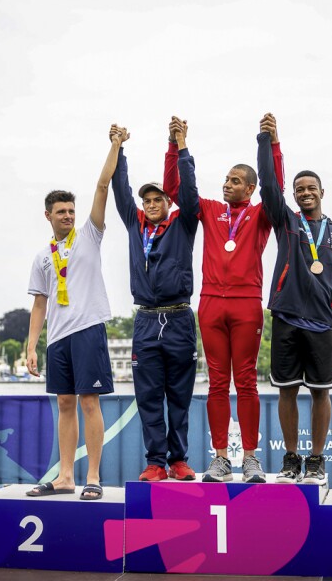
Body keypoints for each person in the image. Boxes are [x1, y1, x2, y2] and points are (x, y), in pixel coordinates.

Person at [162, 116, 284, 483]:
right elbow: (176, 192)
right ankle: (219, 459)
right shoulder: (212, 210)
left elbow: (275, 187)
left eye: (234, 180)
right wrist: (177, 146)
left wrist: (270, 143)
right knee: (217, 381)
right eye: (226, 179)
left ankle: (250, 458)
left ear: (249, 187)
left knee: (245, 381)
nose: (226, 184)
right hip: (211, 303)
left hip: (247, 303)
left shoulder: (261, 215)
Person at [256, 113, 332, 484]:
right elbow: (269, 186)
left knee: (320, 393)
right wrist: (268, 142)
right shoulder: (286, 222)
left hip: (320, 321)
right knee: (286, 391)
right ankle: (290, 459)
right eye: (299, 189)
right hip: (286, 316)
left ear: (321, 192)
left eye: (310, 187)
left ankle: (315, 461)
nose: (304, 192)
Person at [25, 126, 117, 500]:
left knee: (89, 402)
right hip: (58, 337)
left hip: (88, 329)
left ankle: (92, 477)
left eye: (71, 211)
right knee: (64, 404)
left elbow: (101, 187)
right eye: (61, 211)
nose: (67, 216)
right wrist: (31, 347)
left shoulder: (90, 234)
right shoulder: (42, 256)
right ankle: (65, 477)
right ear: (47, 215)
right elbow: (39, 304)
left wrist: (114, 145)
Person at [110, 120, 199, 482]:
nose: (149, 205)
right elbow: (120, 189)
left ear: (167, 202)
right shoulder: (135, 225)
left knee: (179, 397)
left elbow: (190, 193)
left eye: (156, 200)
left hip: (178, 319)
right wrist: (119, 149)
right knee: (149, 397)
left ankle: (179, 460)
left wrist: (181, 147)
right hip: (146, 320)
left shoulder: (183, 223)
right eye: (146, 201)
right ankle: (155, 462)